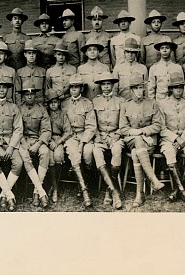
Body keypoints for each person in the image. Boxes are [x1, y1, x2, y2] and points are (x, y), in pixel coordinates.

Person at [118, 73, 168, 207]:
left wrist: (142, 132)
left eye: (141, 88)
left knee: (135, 153)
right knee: (138, 142)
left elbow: (158, 125)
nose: (139, 91)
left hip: (149, 141)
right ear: (132, 90)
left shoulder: (152, 103)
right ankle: (153, 180)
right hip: (131, 140)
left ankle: (139, 194)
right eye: (136, 88)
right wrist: (139, 135)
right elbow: (123, 128)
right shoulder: (125, 105)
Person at [158, 72, 185, 206]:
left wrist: (183, 139)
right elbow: (162, 128)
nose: (179, 90)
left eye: (181, 87)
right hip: (169, 139)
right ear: (171, 89)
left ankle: (177, 190)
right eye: (176, 87)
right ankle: (183, 190)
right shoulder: (163, 104)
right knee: (169, 153)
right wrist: (176, 139)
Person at [87, 72, 125, 209]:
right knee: (96, 152)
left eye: (109, 84)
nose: (107, 87)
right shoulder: (95, 101)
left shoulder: (121, 101)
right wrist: (98, 136)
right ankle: (114, 191)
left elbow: (123, 124)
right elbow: (92, 124)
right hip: (100, 137)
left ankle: (109, 192)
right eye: (104, 84)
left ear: (113, 85)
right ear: (100, 86)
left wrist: (116, 136)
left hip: (116, 136)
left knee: (116, 151)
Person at [61, 74, 97, 207]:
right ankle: (84, 190)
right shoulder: (64, 104)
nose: (74, 90)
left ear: (81, 88)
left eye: (76, 87)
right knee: (73, 151)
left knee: (88, 153)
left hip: (85, 136)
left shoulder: (87, 103)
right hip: (70, 136)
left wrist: (83, 142)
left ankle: (85, 182)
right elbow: (62, 123)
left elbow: (91, 126)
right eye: (71, 87)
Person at [17, 80, 52, 208]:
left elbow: (46, 130)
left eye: (32, 94)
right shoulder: (18, 109)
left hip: (38, 140)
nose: (30, 97)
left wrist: (38, 144)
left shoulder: (42, 109)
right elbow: (17, 130)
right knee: (25, 155)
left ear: (35, 95)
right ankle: (41, 192)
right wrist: (23, 143)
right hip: (23, 141)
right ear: (23, 96)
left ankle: (36, 192)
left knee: (45, 152)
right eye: (27, 94)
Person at [46, 94, 70, 204]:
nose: (53, 104)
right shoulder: (46, 114)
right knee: (49, 158)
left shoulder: (63, 114)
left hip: (58, 139)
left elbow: (67, 132)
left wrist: (58, 142)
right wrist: (49, 141)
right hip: (47, 139)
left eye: (55, 102)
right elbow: (43, 129)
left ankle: (54, 187)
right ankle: (53, 186)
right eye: (51, 103)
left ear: (59, 103)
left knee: (58, 156)